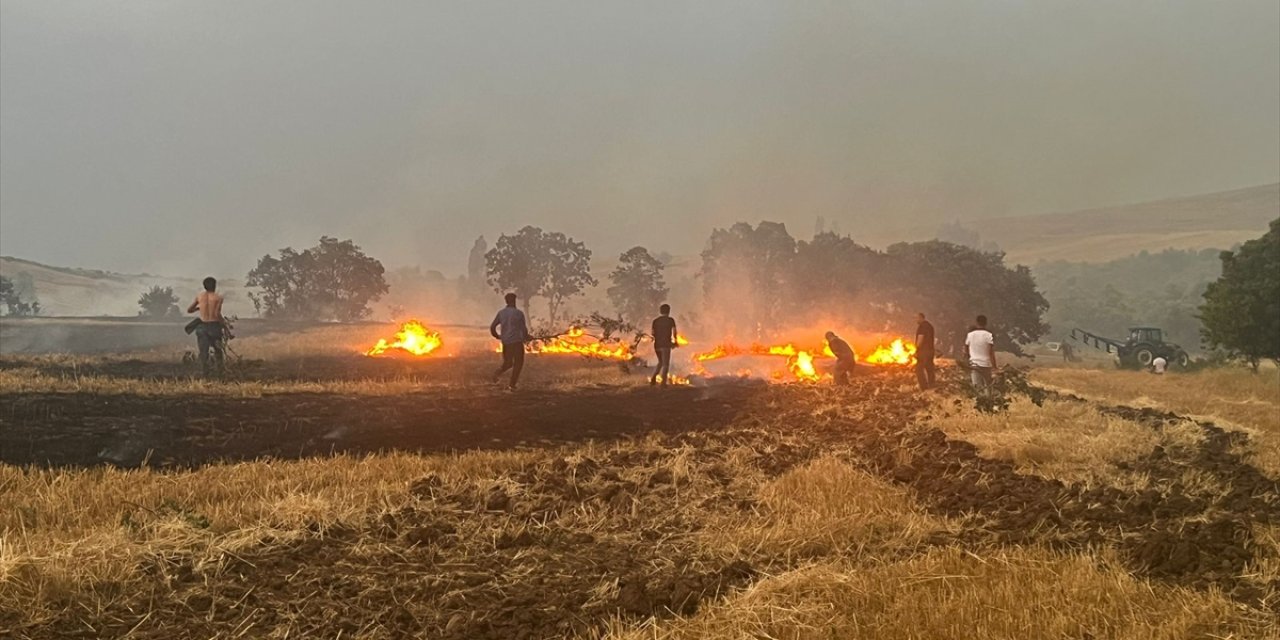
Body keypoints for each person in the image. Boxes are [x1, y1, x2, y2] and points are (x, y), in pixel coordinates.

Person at [186, 277, 225, 377]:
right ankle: (220, 373)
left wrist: (198, 308)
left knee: (203, 352)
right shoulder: (218, 298)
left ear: (204, 286)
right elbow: (217, 314)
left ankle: (205, 374)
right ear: (215, 286)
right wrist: (224, 324)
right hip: (214, 326)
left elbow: (189, 310)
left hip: (202, 327)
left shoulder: (199, 296)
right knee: (218, 351)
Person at [490, 293, 529, 390]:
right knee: (518, 363)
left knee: (508, 363)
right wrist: (526, 337)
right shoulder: (518, 313)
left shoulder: (501, 313)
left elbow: (492, 327)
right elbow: (523, 329)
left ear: (506, 301)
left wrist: (497, 336)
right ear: (514, 301)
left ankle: (497, 373)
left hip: (506, 342)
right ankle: (512, 384)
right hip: (516, 342)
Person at [965, 315, 996, 392]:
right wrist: (994, 367)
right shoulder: (989, 335)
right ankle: (988, 399)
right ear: (986, 323)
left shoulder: (970, 335)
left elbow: (966, 350)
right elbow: (991, 353)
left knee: (977, 388)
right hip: (986, 364)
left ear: (977, 322)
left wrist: (967, 362)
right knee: (988, 387)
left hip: (974, 364)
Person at [650, 304, 679, 386]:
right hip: (666, 345)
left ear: (660, 311)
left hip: (657, 345)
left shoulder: (655, 321)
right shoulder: (670, 320)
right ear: (669, 311)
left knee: (660, 362)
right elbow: (674, 332)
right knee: (666, 364)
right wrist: (675, 341)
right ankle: (663, 383)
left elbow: (652, 333)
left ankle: (653, 377)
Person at [914, 312, 936, 390]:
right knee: (930, 369)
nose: (916, 320)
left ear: (921, 318)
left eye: (917, 318)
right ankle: (932, 386)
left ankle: (924, 388)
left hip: (923, 352)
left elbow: (920, 339)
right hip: (931, 351)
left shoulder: (922, 327)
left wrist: (916, 350)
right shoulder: (930, 326)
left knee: (919, 369)